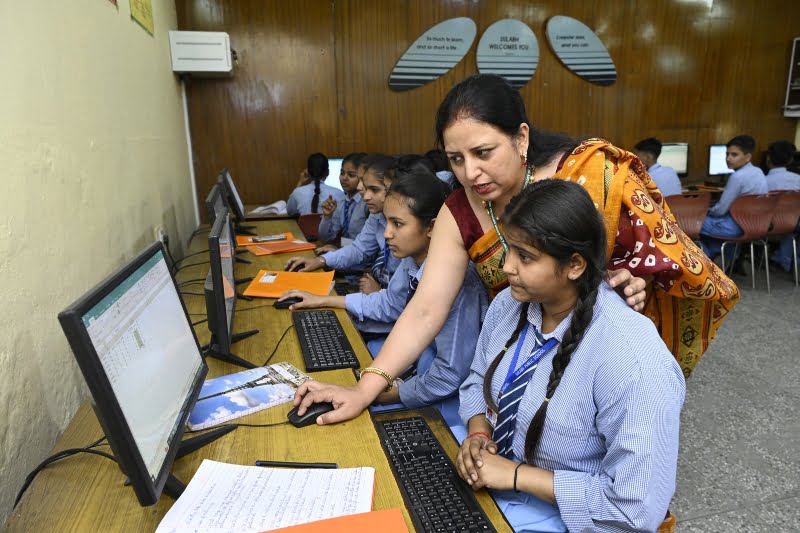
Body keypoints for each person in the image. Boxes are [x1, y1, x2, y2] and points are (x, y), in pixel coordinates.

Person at [293, 74, 736, 426]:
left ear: (521, 138)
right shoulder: (459, 210)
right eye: (456, 159)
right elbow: (426, 308)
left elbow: (670, 258)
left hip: (599, 343)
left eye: (483, 152)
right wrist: (364, 389)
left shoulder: (589, 175)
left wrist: (631, 276)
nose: (471, 172)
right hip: (519, 349)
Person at [456, 179, 685, 532]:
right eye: (508, 249)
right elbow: (476, 378)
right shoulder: (508, 305)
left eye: (525, 256)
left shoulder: (631, 359)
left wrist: (517, 475)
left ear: (575, 265)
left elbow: (635, 511)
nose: (507, 267)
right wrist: (478, 433)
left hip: (571, 520)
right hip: (497, 490)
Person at [278, 171, 488, 423]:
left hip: (447, 407)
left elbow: (449, 375)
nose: (386, 233)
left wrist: (383, 394)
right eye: (386, 222)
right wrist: (322, 300)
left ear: (432, 227)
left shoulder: (459, 282)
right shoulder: (412, 260)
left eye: (397, 224)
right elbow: (390, 304)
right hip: (418, 377)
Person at [285, 154, 401, 294]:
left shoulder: (377, 211)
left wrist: (380, 292)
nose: (361, 189)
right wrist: (320, 260)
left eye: (373, 189)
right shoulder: (371, 213)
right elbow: (359, 249)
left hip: (371, 282)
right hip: (374, 286)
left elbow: (401, 292)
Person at [699, 135, 768, 265]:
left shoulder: (737, 177)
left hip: (736, 227)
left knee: (687, 222)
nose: (728, 158)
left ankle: (707, 258)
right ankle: (724, 258)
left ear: (747, 157)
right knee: (714, 224)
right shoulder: (758, 171)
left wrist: (704, 212)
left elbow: (720, 210)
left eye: (734, 155)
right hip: (756, 225)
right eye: (727, 154)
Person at [317, 152, 370, 251]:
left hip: (363, 259)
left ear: (364, 177)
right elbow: (325, 238)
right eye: (342, 173)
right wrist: (327, 217)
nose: (344, 178)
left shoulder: (368, 203)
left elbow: (369, 246)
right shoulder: (341, 201)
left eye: (351, 175)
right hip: (346, 253)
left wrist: (338, 251)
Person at [764, 141, 800, 272]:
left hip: (768, 225)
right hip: (794, 223)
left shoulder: (764, 181)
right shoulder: (798, 179)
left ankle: (783, 260)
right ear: (790, 160)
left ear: (768, 158)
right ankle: (787, 261)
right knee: (791, 230)